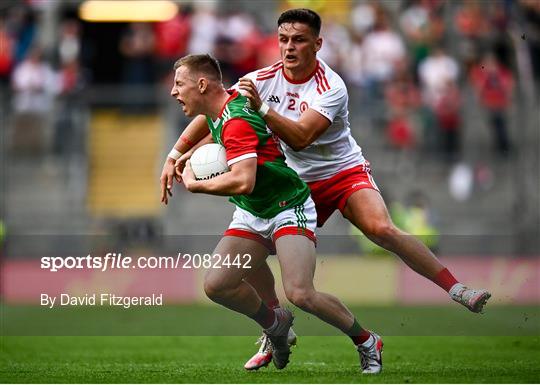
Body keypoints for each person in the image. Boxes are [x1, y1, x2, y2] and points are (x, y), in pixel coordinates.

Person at [160, 9, 490, 371]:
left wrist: (263, 111)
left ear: (318, 44)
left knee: (380, 229)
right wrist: (176, 154)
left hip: (340, 171)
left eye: (299, 39)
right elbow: (216, 112)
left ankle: (457, 289)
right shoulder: (262, 78)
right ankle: (275, 328)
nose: (289, 47)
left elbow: (301, 138)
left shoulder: (331, 87)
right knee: (251, 252)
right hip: (295, 179)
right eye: (284, 39)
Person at [166, 53, 384, 373]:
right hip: (253, 211)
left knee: (300, 293)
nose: (173, 91)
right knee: (217, 285)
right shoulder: (219, 108)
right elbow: (205, 121)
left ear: (202, 85)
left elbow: (243, 179)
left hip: (287, 206)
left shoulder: (237, 120)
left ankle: (366, 340)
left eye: (179, 83)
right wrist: (173, 156)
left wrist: (197, 186)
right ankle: (275, 325)